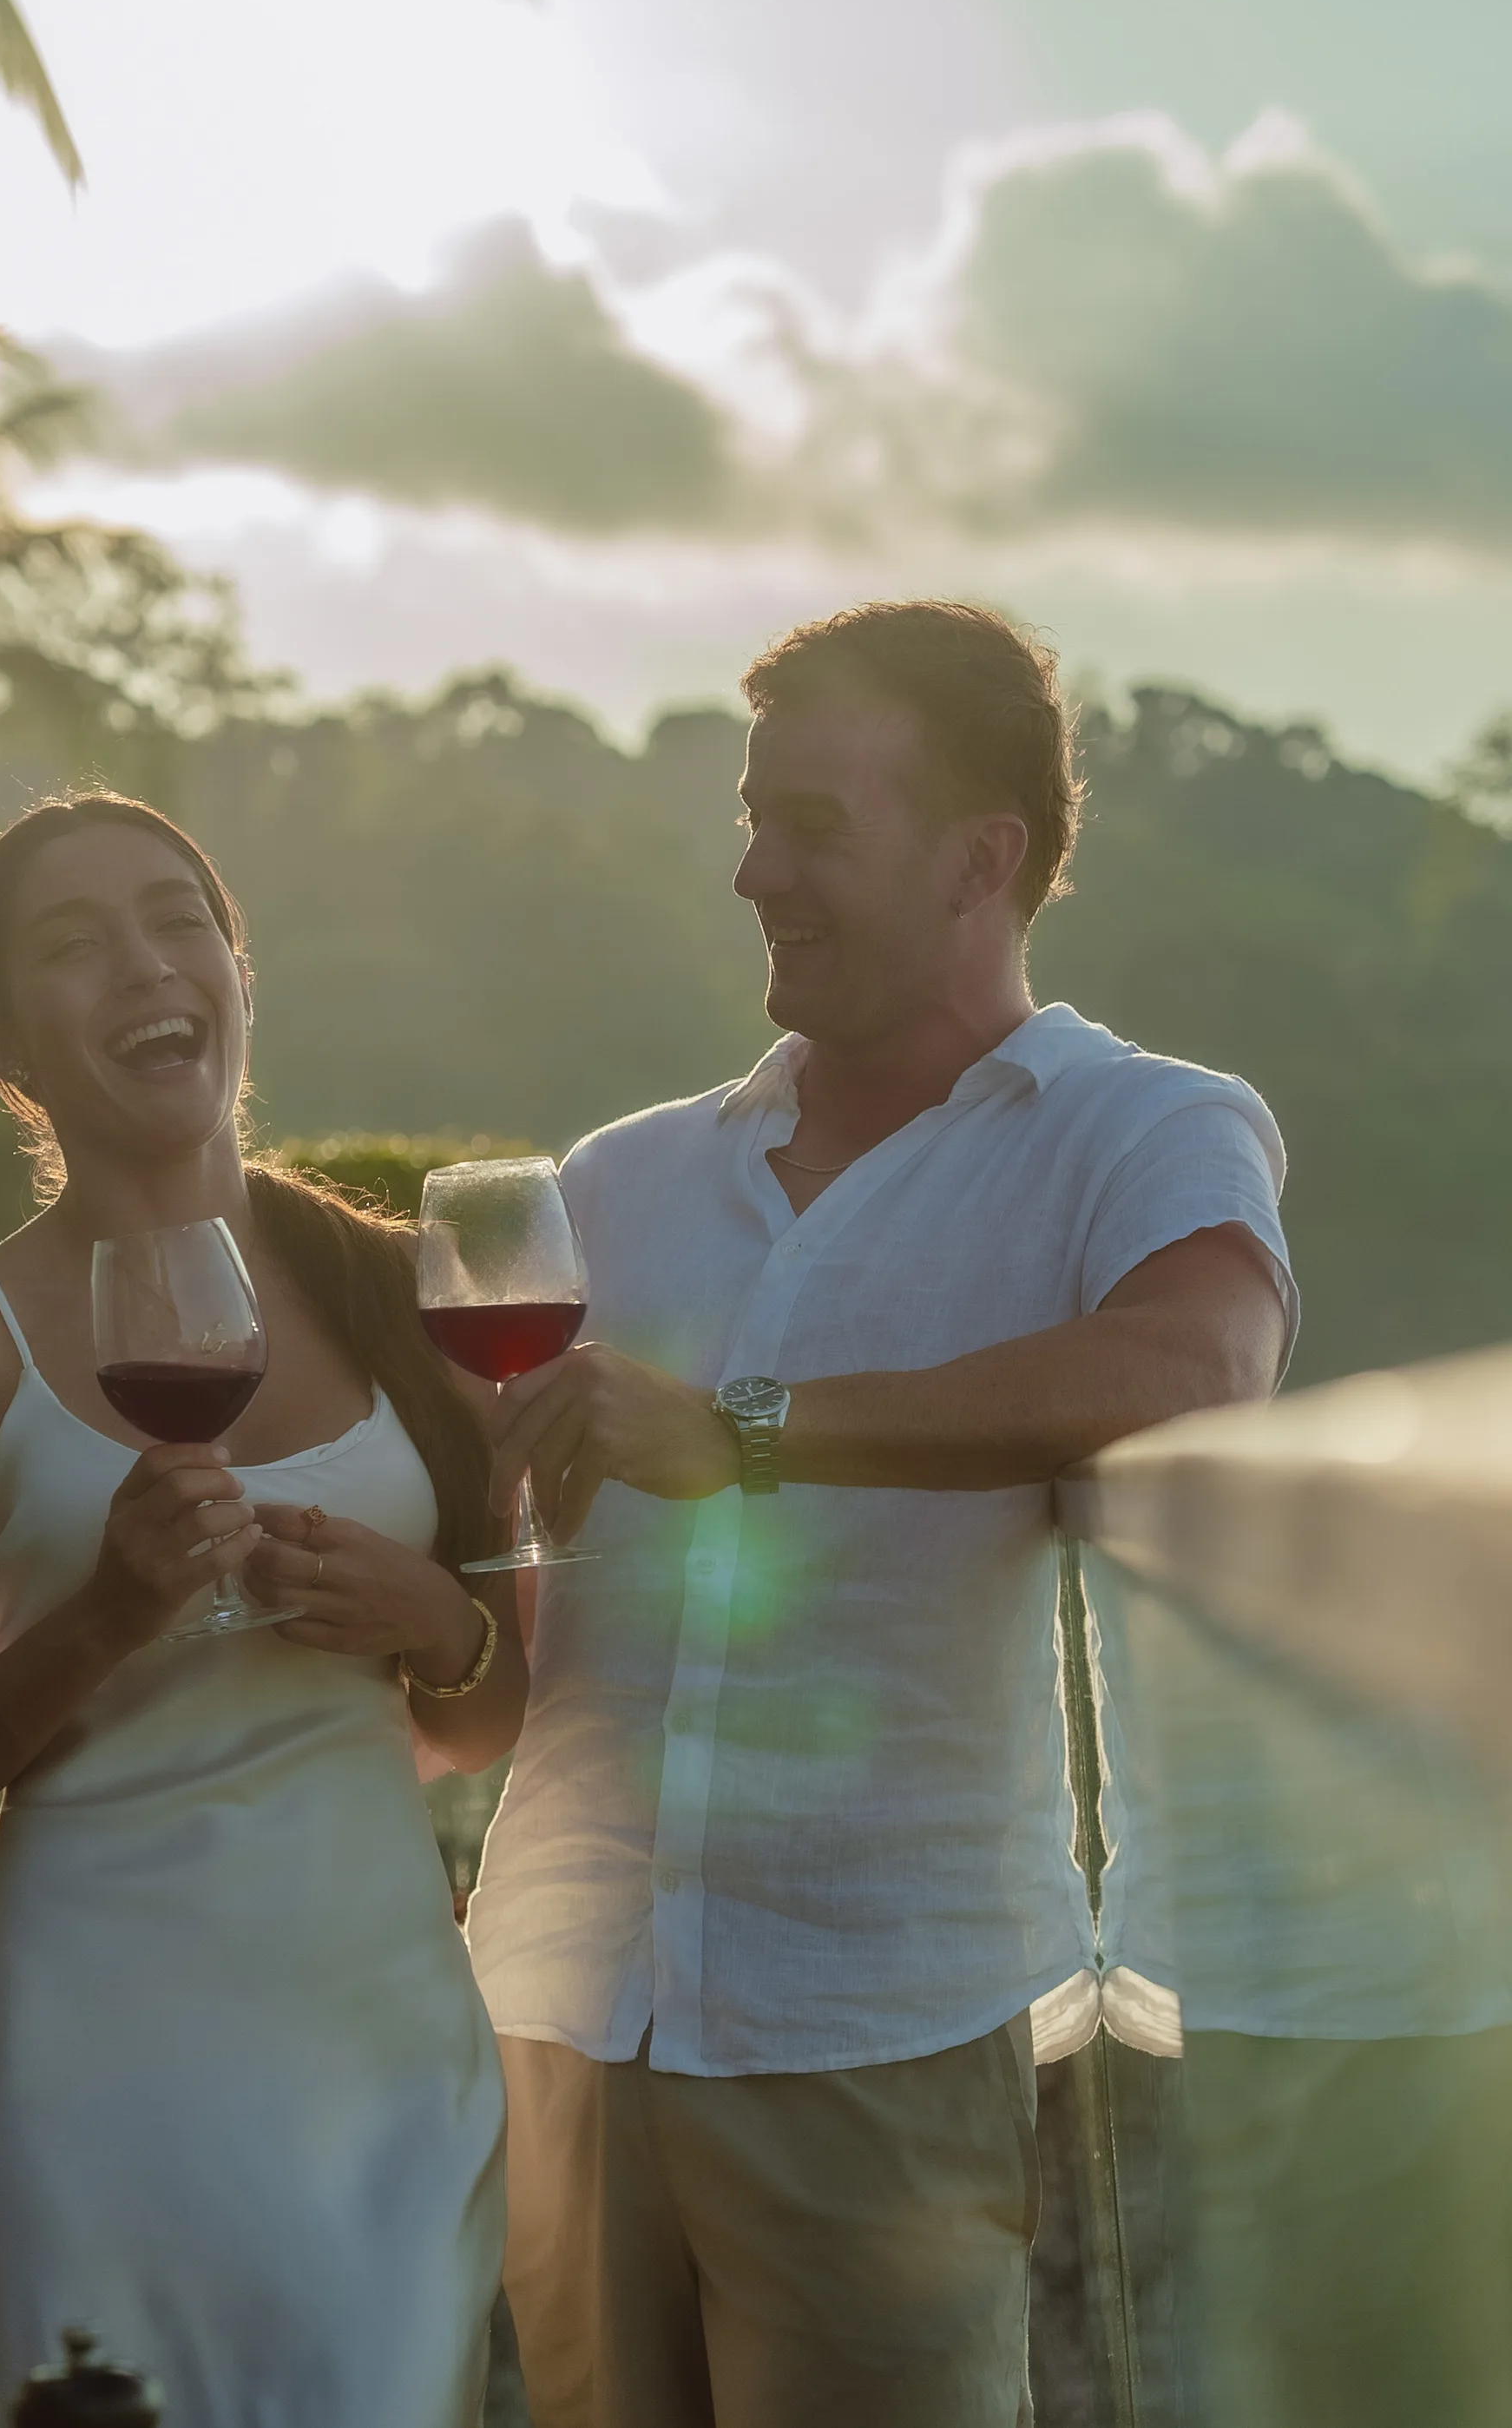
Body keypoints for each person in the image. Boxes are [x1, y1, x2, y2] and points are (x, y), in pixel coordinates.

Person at [468, 600, 1298, 2428]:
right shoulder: (616, 1180)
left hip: (873, 2030)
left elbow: (1196, 1368)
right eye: (749, 819)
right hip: (556, 2009)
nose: (756, 869)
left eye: (814, 825)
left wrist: (745, 1431)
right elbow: (501, 1550)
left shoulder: (1141, 1128)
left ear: (981, 858)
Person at [0, 792, 519, 2425]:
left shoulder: (406, 1291)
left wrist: (434, 1614)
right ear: (6, 1049)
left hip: (379, 2064)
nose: (144, 963)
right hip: (84, 2081)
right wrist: (102, 1616)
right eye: (74, 945)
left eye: (175, 917)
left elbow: (491, 1715)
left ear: (236, 967)